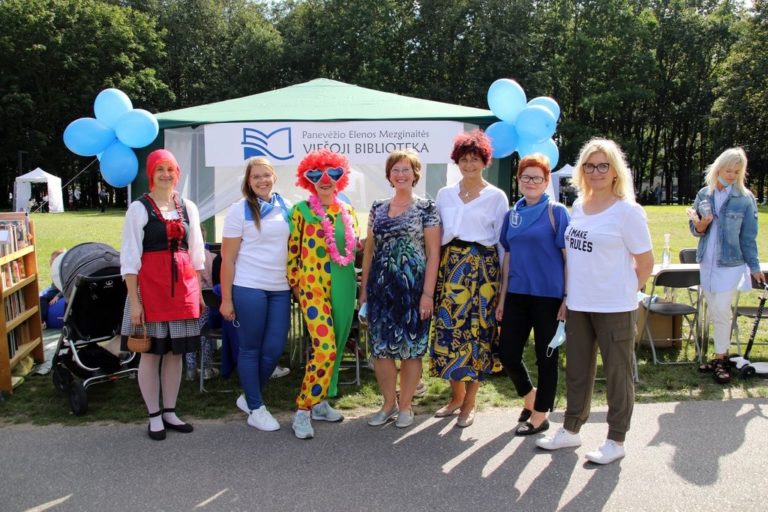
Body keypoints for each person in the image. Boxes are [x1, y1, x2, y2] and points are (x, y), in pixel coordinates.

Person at [536, 138, 653, 465]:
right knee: (577, 370)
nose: (596, 171)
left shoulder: (628, 211)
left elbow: (645, 263)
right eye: (590, 165)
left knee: (617, 373)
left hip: (615, 307)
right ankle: (571, 430)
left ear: (615, 171)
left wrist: (625, 291)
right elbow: (574, 259)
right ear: (582, 171)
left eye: (603, 165)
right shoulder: (580, 207)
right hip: (579, 305)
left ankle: (616, 439)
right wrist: (570, 297)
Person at [119, 149, 205, 441]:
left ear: (177, 173)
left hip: (182, 290)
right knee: (151, 354)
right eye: (160, 170)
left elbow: (195, 252)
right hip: (150, 290)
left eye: (170, 169)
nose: (166, 175)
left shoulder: (188, 207)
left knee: (174, 354)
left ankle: (170, 410)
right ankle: (153, 415)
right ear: (151, 174)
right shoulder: (139, 209)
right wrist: (135, 301)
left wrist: (199, 292)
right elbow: (130, 258)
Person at [430, 129, 509, 428]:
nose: (469, 165)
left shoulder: (496, 197)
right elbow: (437, 238)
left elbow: (502, 244)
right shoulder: (445, 194)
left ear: (485, 161)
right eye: (464, 159)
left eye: (475, 159)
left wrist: (503, 287)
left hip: (484, 272)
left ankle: (471, 402)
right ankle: (456, 396)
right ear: (457, 161)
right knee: (449, 334)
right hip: (451, 270)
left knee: (478, 335)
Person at [360, 150, 441, 429]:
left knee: (411, 351)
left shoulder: (426, 208)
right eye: (396, 169)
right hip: (381, 290)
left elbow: (433, 253)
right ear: (389, 175)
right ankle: (388, 404)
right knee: (380, 350)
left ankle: (406, 407)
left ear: (415, 174)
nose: (401, 174)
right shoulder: (377, 207)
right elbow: (369, 251)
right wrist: (364, 293)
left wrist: (427, 294)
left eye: (407, 169)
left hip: (414, 291)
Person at [496, 153, 569, 436]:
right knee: (507, 354)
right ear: (518, 180)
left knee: (546, 357)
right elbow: (508, 258)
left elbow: (567, 258)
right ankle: (531, 397)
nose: (530, 182)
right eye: (525, 176)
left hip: (549, 297)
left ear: (546, 180)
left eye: (537, 177)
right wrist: (502, 298)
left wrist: (567, 298)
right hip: (516, 294)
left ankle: (540, 415)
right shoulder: (511, 215)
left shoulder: (557, 212)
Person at [288, 149, 358, 439]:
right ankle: (303, 409)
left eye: (334, 174)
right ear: (308, 180)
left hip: (343, 284)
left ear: (342, 179)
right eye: (316, 175)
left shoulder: (348, 211)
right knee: (324, 348)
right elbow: (292, 252)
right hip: (313, 286)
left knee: (337, 347)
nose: (325, 180)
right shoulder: (301, 211)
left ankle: (321, 402)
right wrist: (297, 284)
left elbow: (351, 249)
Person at [219, 157, 292, 431]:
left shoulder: (286, 206)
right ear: (248, 182)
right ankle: (256, 406)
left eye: (266, 175)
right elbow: (227, 260)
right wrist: (226, 299)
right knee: (251, 348)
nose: (262, 181)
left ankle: (249, 396)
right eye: (255, 177)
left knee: (273, 349)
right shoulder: (239, 211)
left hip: (280, 288)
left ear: (274, 176)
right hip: (248, 286)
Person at [687, 147, 764, 384]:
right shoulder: (704, 194)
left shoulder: (745, 199)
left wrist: (754, 266)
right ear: (718, 168)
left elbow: (748, 237)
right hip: (707, 262)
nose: (731, 175)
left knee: (721, 309)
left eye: (736, 171)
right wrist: (701, 224)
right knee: (714, 311)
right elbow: (696, 230)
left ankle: (721, 358)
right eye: (728, 170)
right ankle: (720, 354)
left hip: (731, 264)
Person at [40, 248, 67, 329]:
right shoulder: (55, 270)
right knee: (42, 298)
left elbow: (66, 287)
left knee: (43, 298)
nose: (50, 261)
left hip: (61, 291)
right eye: (51, 259)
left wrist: (58, 296)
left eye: (53, 259)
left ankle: (42, 321)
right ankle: (42, 320)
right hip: (55, 290)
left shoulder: (64, 271)